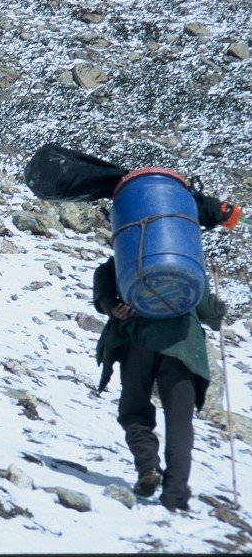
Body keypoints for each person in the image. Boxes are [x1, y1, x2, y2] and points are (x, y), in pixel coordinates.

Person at [93, 192, 240, 512]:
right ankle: (175, 494)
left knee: (133, 410)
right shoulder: (185, 265)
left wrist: (115, 311)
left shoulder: (117, 264)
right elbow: (209, 314)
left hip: (137, 343)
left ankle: (148, 468)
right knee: (179, 420)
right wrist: (218, 309)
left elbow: (105, 299)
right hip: (182, 346)